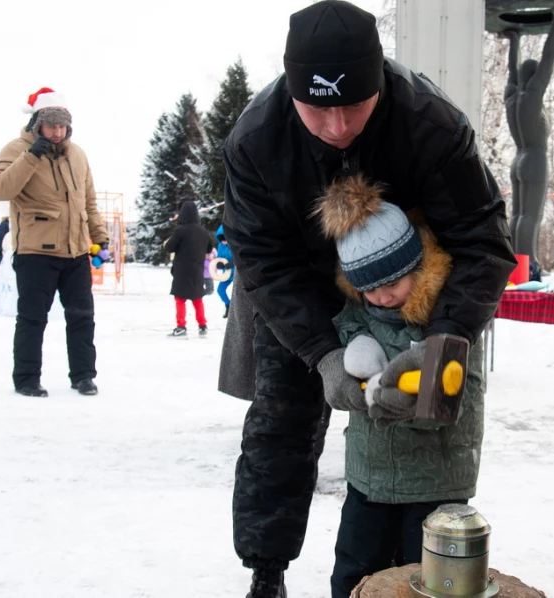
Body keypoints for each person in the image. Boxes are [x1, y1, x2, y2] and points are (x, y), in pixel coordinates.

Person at [219, 2, 515, 595]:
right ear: (290, 87)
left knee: (421, 417)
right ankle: (265, 570)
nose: (336, 127)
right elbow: (265, 263)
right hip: (298, 287)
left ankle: (416, 562)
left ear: (379, 79)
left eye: (353, 105)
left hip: (405, 288)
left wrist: (443, 340)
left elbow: (484, 243)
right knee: (281, 422)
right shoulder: (254, 140)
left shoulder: (430, 124)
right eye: (317, 108)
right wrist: (322, 351)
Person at [313, 175, 486, 596]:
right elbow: (346, 362)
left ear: (417, 267)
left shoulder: (449, 320)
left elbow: (462, 397)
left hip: (436, 484)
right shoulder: (356, 317)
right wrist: (345, 369)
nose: (383, 297)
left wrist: (417, 401)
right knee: (355, 571)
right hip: (369, 478)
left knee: (425, 579)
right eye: (369, 288)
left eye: (392, 283)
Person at [0, 87, 109, 397]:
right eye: (50, 125)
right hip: (35, 252)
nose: (56, 132)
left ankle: (83, 376)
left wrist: (100, 237)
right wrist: (32, 156)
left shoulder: (77, 154)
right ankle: (27, 379)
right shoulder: (17, 150)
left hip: (76, 252)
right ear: (36, 125)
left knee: (82, 317)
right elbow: (0, 188)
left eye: (62, 126)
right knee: (32, 319)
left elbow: (89, 201)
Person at [503, 4, 554, 265]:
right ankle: (529, 263)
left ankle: (516, 265)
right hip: (534, 159)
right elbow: (549, 59)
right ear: (533, 78)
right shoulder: (533, 95)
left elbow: (512, 71)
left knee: (518, 215)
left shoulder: (512, 97)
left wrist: (514, 39)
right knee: (531, 215)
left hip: (518, 159)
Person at [165, 200, 214, 338]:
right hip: (197, 269)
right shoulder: (203, 231)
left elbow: (170, 247)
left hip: (181, 270)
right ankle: (202, 325)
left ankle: (181, 326)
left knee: (180, 299)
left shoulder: (180, 230)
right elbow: (209, 248)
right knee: (197, 299)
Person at [214, 224, 235, 319]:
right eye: (221, 239)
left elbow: (240, 257)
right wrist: (219, 264)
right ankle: (228, 305)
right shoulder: (220, 246)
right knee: (220, 290)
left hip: (236, 274)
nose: (224, 241)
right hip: (226, 274)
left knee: (237, 292)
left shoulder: (235, 245)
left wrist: (232, 263)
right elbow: (219, 258)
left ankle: (236, 310)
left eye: (225, 239)